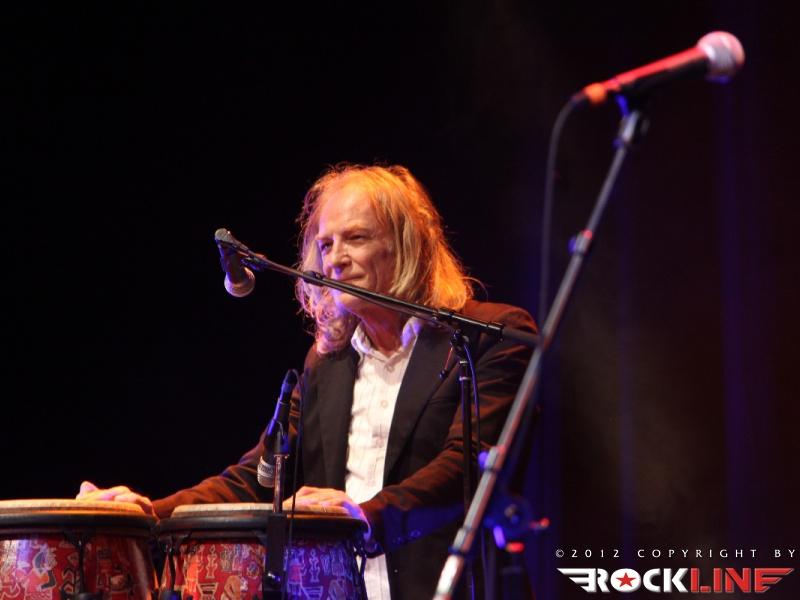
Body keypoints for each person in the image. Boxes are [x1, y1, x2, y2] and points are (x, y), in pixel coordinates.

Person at [78, 164, 536, 599]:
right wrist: (148, 513)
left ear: (407, 245)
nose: (335, 260)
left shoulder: (487, 338)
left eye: (355, 238)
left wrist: (363, 520)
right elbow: (260, 477)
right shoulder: (326, 364)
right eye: (326, 244)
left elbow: (468, 466)